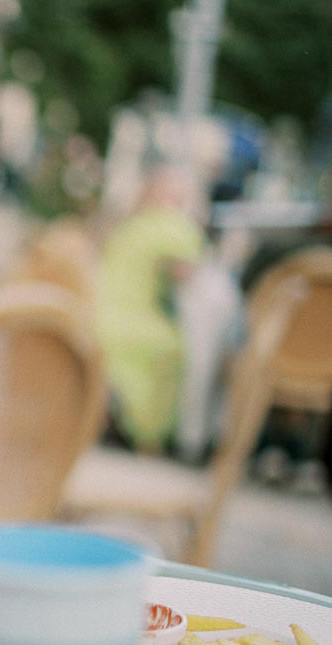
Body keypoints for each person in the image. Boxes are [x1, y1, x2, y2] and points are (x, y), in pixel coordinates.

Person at [95, 164, 207, 453]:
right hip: (138, 323)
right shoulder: (172, 227)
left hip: (101, 315)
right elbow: (189, 276)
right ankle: (150, 437)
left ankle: (112, 414)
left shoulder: (130, 225)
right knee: (179, 348)